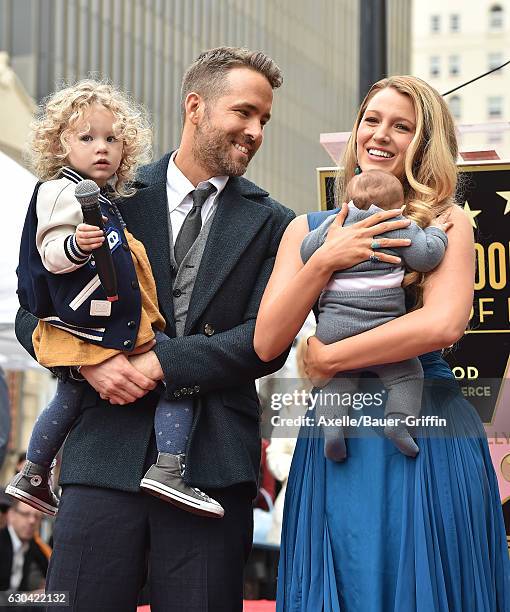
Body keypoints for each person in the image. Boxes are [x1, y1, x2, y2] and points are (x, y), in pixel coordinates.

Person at [15, 47, 294, 610]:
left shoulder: (275, 223)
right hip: (101, 456)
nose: (255, 130)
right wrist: (90, 362)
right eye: (243, 112)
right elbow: (31, 308)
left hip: (212, 467)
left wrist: (159, 363)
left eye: (263, 119)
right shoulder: (98, 190)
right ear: (196, 107)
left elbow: (264, 344)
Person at [254, 76, 510, 611]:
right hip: (338, 436)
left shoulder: (445, 223)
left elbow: (441, 325)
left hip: (426, 427)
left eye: (402, 126)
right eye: (371, 120)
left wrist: (328, 356)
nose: (381, 135)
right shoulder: (306, 228)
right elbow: (267, 339)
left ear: (425, 143)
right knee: (345, 579)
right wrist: (326, 259)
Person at [7, 80, 223, 519]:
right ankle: (168, 468)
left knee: (68, 395)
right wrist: (77, 247)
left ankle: (33, 472)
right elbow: (49, 250)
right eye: (86, 138)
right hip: (93, 319)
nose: (101, 148)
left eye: (111, 138)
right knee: (175, 373)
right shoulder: (61, 191)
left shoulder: (99, 197)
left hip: (90, 318)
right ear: (61, 144)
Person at [301, 169, 448, 460]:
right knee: (407, 374)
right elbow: (426, 256)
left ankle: (332, 429)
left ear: (347, 204)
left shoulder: (336, 225)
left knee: (336, 379)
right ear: (400, 207)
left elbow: (307, 253)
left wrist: (327, 246)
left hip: (333, 329)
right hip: (381, 330)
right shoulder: (399, 224)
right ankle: (397, 422)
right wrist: (436, 232)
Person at [0, 500, 49, 595]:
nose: (32, 521)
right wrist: (26, 597)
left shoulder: (33, 545)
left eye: (37, 517)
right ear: (11, 515)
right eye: (25, 514)